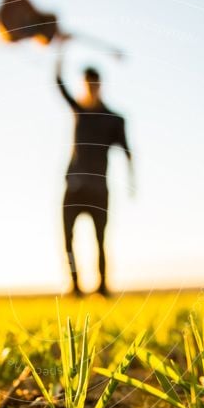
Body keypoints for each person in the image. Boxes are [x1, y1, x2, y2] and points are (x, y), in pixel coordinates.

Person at [56, 46, 134, 296]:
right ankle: (76, 287)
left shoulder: (114, 119)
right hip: (74, 186)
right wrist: (60, 48)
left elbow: (127, 151)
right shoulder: (78, 111)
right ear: (84, 85)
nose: (90, 88)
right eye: (86, 84)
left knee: (100, 240)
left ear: (100, 85)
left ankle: (102, 287)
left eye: (93, 84)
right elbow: (58, 82)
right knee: (68, 240)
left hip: (99, 188)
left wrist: (133, 181)